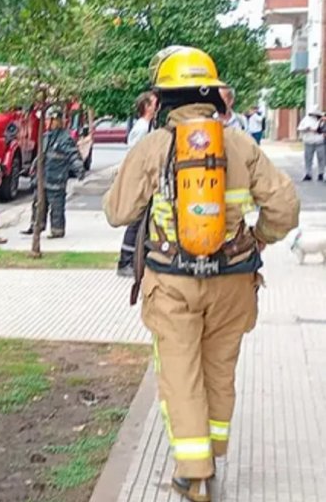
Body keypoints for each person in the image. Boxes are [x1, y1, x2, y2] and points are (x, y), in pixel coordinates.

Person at [103, 46, 299, 501]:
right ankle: (214, 457)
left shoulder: (154, 146)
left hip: (172, 283)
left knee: (180, 373)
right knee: (218, 371)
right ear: (212, 95)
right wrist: (262, 236)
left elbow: (117, 212)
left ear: (164, 100)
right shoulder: (241, 144)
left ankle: (195, 475)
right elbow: (285, 208)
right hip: (233, 281)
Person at [21, 106, 85, 238]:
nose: (46, 122)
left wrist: (79, 168)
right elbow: (41, 156)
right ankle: (36, 227)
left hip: (56, 179)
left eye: (49, 119)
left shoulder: (64, 138)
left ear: (56, 121)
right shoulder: (45, 137)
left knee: (56, 207)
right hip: (42, 178)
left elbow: (73, 154)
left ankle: (57, 230)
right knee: (38, 204)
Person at [117, 91, 159, 277]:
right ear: (147, 107)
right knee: (136, 221)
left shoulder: (148, 126)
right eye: (154, 103)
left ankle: (139, 258)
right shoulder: (142, 128)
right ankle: (125, 261)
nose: (157, 106)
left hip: (145, 179)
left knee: (145, 220)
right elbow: (135, 155)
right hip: (140, 180)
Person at [298, 109, 325, 181]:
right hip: (309, 142)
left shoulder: (322, 120)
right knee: (308, 158)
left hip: (320, 142)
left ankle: (321, 173)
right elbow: (300, 128)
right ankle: (308, 173)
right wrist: (308, 129)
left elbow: (322, 129)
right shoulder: (306, 120)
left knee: (322, 158)